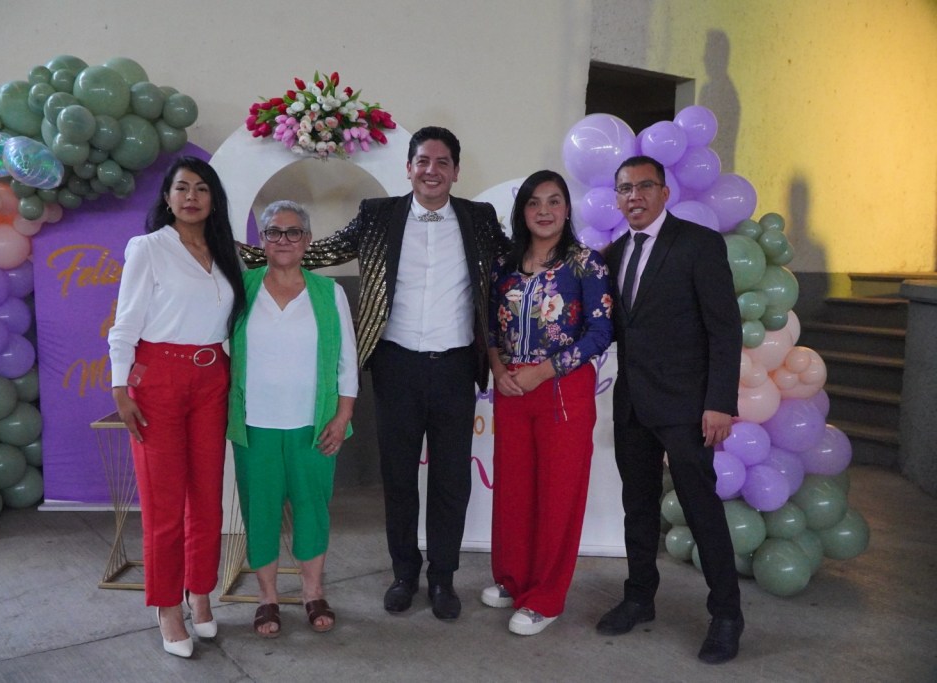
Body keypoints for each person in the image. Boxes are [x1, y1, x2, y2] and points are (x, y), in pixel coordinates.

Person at [244, 126, 511, 621]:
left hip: (456, 366)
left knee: (452, 480)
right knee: (399, 478)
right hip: (396, 365)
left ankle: (443, 578)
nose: (432, 170)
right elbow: (316, 251)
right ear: (408, 168)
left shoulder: (479, 219)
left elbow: (518, 259)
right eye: (423, 161)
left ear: (456, 171)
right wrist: (231, 253)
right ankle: (404, 574)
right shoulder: (377, 215)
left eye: (443, 162)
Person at [598, 155, 745, 663]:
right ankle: (639, 597)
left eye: (644, 186)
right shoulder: (614, 253)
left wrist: (719, 403)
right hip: (633, 405)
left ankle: (727, 615)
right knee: (637, 507)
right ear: (617, 198)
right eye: (625, 188)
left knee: (701, 509)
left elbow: (724, 329)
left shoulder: (698, 244)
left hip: (687, 406)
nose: (634, 196)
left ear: (664, 192)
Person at [108, 156, 247, 658]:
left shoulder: (226, 251)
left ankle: (200, 592)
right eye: (182, 188)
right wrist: (119, 388)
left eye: (201, 188)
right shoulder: (148, 248)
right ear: (167, 197)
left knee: (207, 498)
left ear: (214, 199)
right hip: (159, 379)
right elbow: (125, 322)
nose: (191, 197)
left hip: (212, 379)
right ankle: (167, 606)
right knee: (164, 504)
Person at [483, 170, 613, 635]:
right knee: (514, 489)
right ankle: (513, 579)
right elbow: (490, 328)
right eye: (534, 202)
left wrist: (542, 371)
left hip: (563, 390)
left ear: (567, 208)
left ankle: (545, 598)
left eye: (554, 201)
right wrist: (498, 370)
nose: (544, 210)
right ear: (522, 210)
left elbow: (601, 331)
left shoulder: (585, 263)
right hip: (512, 389)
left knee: (558, 494)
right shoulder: (504, 265)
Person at [227, 201, 357, 638]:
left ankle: (312, 591)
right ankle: (267, 598)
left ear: (307, 240)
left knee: (311, 508)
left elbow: (347, 362)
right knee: (260, 510)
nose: (284, 240)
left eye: (293, 231)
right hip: (255, 425)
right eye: (274, 232)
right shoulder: (242, 288)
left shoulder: (329, 293)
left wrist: (342, 415)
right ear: (262, 240)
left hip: (314, 425)